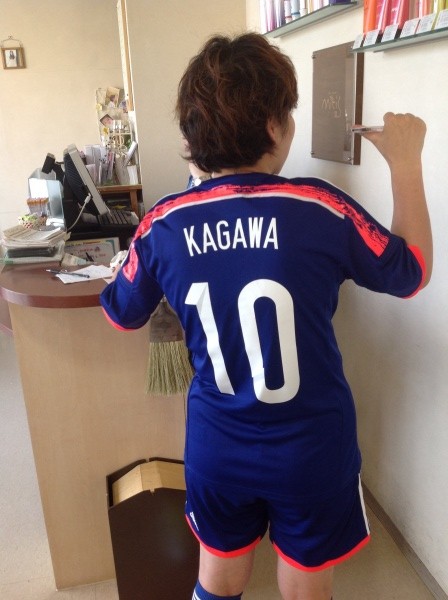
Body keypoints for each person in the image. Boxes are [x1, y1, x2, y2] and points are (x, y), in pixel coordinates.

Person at [100, 33, 432, 600]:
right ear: (276, 127)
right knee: (306, 586)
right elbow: (412, 271)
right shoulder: (322, 207)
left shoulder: (163, 223)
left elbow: (121, 313)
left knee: (218, 575)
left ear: (193, 137)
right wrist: (405, 161)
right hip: (313, 448)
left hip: (217, 445)